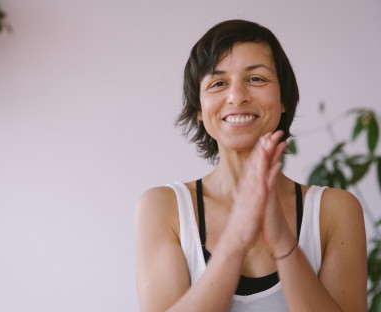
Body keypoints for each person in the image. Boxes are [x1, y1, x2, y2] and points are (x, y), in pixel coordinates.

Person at [134, 19, 367, 311]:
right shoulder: (164, 208)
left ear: (284, 99)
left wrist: (283, 242)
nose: (237, 96)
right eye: (218, 83)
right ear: (199, 110)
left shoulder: (335, 210)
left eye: (256, 79)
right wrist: (235, 241)